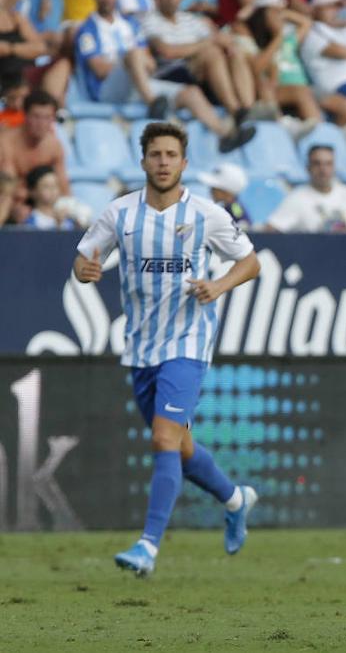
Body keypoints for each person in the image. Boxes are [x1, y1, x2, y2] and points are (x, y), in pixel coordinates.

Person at [73, 121, 261, 577]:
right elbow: (82, 260)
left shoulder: (206, 214)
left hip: (188, 343)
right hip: (140, 347)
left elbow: (250, 262)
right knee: (178, 447)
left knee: (162, 439)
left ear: (184, 162)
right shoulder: (119, 214)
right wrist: (86, 271)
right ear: (143, 161)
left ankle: (147, 547)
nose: (162, 162)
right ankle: (236, 500)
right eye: (155, 154)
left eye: (170, 155)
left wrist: (217, 286)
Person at [75, 0, 254, 149]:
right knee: (133, 54)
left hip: (140, 82)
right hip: (109, 89)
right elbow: (99, 70)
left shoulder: (130, 24)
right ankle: (153, 103)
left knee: (191, 93)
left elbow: (150, 63)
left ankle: (223, 135)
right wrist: (131, 64)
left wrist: (138, 65)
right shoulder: (88, 29)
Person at [143, 0, 260, 129]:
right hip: (172, 72)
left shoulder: (190, 19)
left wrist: (227, 45)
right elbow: (167, 52)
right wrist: (206, 43)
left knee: (234, 52)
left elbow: (217, 38)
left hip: (198, 71)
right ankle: (235, 110)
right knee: (211, 53)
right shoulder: (150, 20)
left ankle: (247, 108)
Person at [241, 0, 322, 136]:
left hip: (302, 87)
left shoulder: (289, 39)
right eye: (273, 12)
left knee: (341, 104)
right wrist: (278, 36)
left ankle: (322, 135)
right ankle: (317, 135)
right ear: (262, 15)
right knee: (302, 93)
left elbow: (306, 23)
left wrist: (283, 12)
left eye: (279, 13)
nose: (278, 17)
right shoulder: (254, 41)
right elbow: (256, 69)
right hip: (278, 89)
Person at [0, 89, 67, 223]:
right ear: (25, 115)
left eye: (47, 117)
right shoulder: (6, 142)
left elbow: (63, 187)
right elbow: (6, 185)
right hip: (8, 200)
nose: (41, 124)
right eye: (36, 116)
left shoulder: (54, 146)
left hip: (37, 201)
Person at [266, 144, 346, 233]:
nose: (323, 169)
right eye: (317, 163)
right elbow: (271, 230)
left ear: (334, 167)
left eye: (328, 164)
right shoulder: (297, 197)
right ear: (308, 168)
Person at [19, 164, 79, 229]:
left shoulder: (68, 218)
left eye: (55, 185)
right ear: (33, 191)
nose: (52, 190)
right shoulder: (29, 221)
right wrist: (58, 225)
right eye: (46, 186)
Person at [199, 160, 250, 227]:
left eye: (214, 188)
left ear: (226, 192)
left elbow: (244, 223)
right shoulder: (225, 207)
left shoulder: (235, 206)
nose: (211, 191)